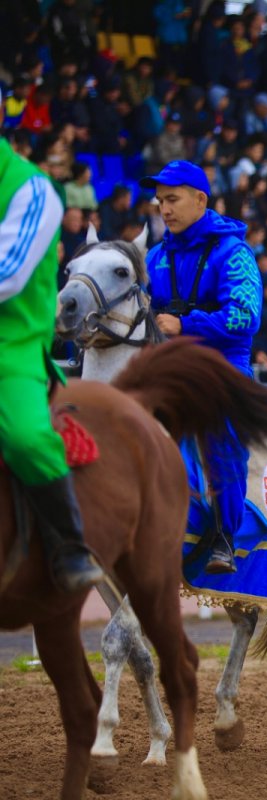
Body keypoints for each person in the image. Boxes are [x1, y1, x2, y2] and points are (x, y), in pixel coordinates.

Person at [142, 160, 264, 574]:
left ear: (200, 200)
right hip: (169, 368)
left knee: (221, 439)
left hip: (222, 369)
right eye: (160, 202)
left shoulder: (233, 251)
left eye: (172, 200)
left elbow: (245, 316)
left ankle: (224, 537)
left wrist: (185, 324)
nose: (165, 209)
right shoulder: (155, 256)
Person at [0, 136, 102, 593]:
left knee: (24, 437)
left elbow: (9, 272)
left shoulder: (33, 189)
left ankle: (71, 546)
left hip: (13, 348)